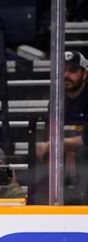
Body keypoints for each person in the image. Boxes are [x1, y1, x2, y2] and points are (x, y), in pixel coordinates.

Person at [36, 51, 88, 204]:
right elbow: (49, 132)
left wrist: (62, 144)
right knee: (40, 152)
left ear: (85, 74)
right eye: (62, 70)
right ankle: (43, 203)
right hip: (66, 151)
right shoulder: (56, 99)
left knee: (83, 153)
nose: (66, 75)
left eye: (72, 70)